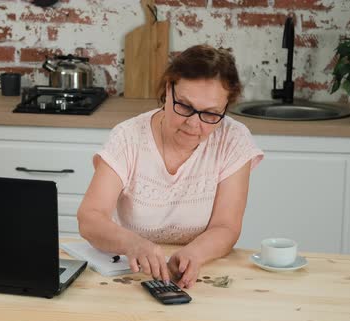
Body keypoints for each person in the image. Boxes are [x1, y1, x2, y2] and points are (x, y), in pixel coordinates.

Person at [77, 44, 264, 289]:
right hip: (130, 272)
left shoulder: (234, 139)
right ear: (168, 90)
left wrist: (194, 254)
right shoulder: (128, 137)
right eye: (185, 106)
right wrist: (133, 243)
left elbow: (226, 227)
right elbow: (90, 218)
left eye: (211, 114)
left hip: (198, 273)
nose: (193, 124)